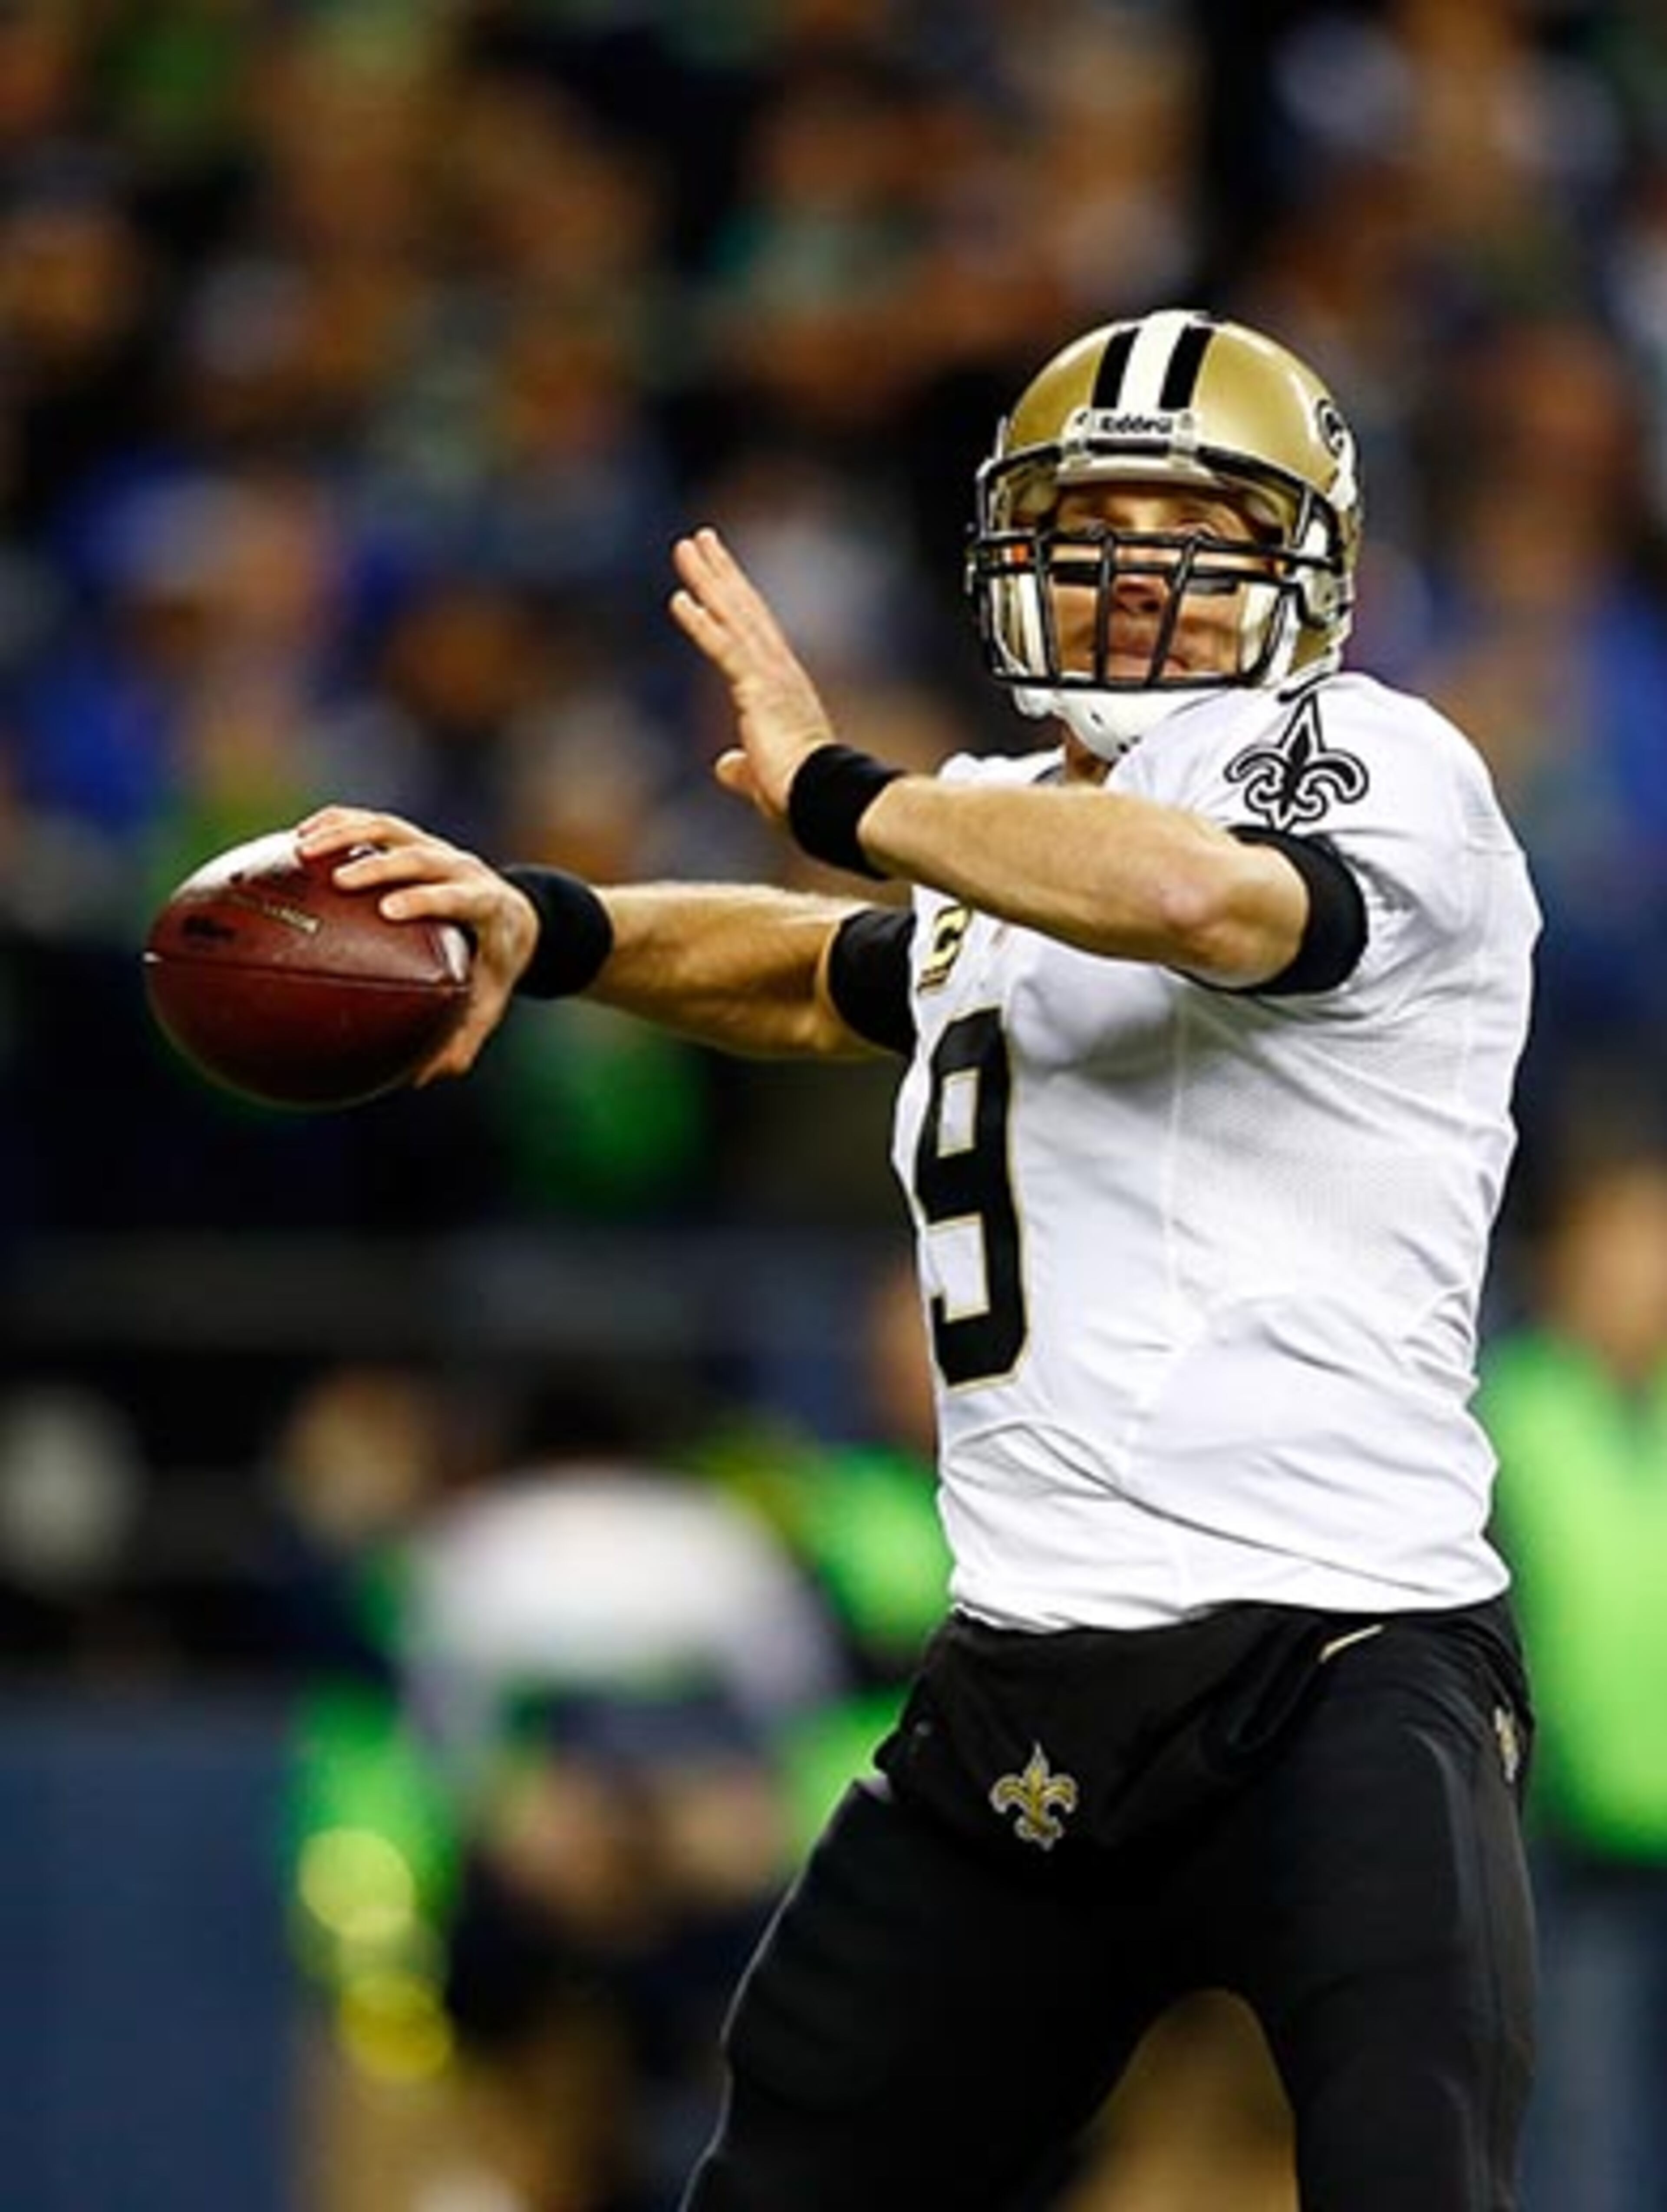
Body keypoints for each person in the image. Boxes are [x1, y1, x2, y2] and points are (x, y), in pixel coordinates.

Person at [297, 308, 1542, 2212]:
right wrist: (543, 928)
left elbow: (1210, 895)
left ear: (1311, 562)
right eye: (1094, 522)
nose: (1137, 571)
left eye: (1194, 527)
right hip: (1019, 1681)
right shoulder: (1000, 835)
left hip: (1338, 1669)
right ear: (1010, 552)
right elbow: (823, 969)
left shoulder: (1376, 756)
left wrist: (843, 796)